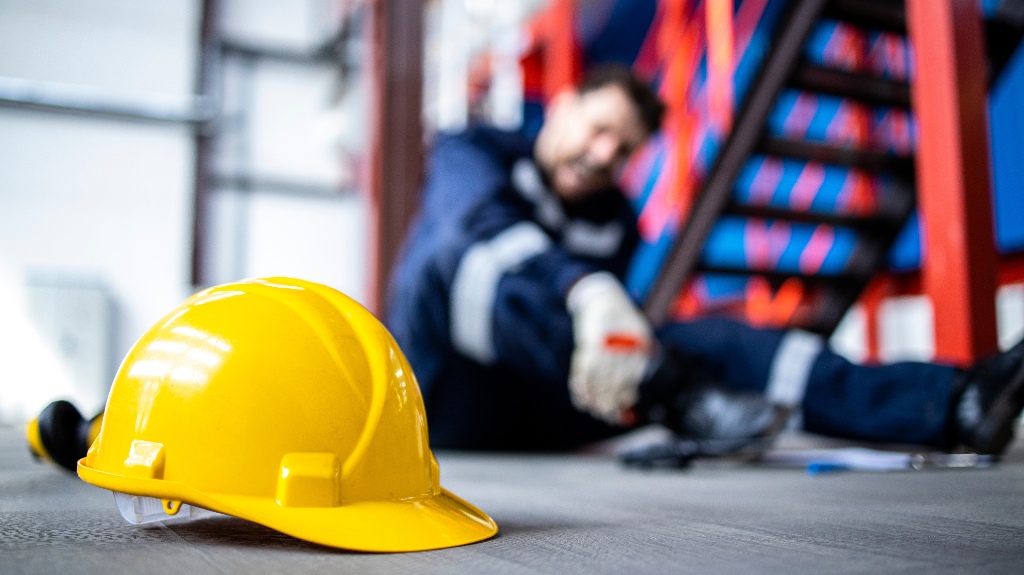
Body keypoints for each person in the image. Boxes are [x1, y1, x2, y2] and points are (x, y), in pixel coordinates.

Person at [385, 63, 1024, 455]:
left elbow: (609, 344)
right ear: (563, 106)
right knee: (459, 265)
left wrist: (624, 337)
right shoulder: (471, 151)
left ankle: (951, 401)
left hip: (552, 405)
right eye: (600, 129)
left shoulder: (617, 220)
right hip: (444, 402)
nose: (605, 156)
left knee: (717, 341)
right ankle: (677, 392)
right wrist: (585, 290)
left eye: (624, 149)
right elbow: (476, 231)